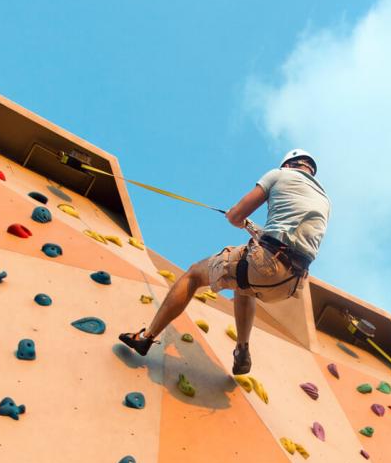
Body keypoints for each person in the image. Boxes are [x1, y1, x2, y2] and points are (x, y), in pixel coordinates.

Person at [120, 149, 331, 375]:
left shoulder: (279, 175)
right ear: (310, 170)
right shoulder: (324, 200)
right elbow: (288, 240)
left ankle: (146, 337)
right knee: (243, 284)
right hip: (289, 284)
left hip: (267, 264)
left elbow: (236, 216)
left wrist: (236, 217)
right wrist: (251, 227)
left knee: (193, 274)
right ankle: (242, 351)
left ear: (288, 165)